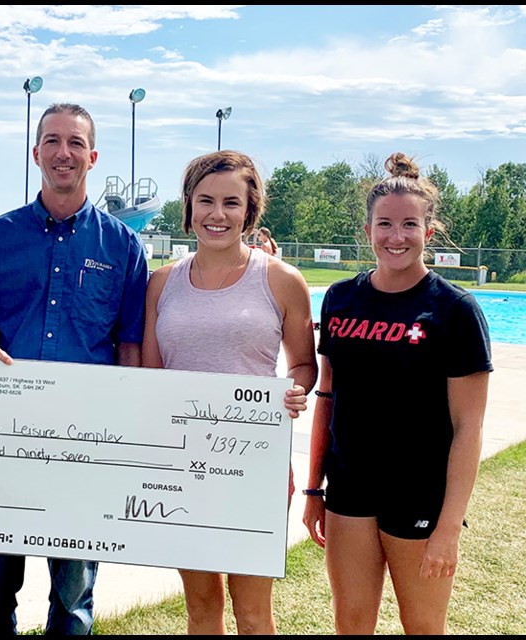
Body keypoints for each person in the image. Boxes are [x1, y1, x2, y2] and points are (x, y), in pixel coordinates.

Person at [0, 103, 149, 635]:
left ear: (92, 156)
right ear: (36, 151)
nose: (63, 152)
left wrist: (124, 432)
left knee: (72, 601)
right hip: (1, 438)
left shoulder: (123, 247)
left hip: (84, 444)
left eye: (74, 143)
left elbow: (130, 347)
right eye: (52, 140)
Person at [301, 152, 492, 634]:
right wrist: (313, 489)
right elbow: (328, 397)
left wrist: (449, 527)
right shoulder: (341, 297)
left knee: (423, 626)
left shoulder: (454, 310)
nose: (396, 236)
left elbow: (468, 428)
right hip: (349, 491)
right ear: (368, 230)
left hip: (420, 495)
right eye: (385, 224)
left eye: (410, 224)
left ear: (429, 231)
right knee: (351, 622)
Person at [142, 150, 317, 634]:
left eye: (231, 203)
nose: (217, 215)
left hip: (252, 464)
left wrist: (296, 390)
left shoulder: (281, 280)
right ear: (189, 207)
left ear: (250, 209)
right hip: (179, 464)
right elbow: (151, 377)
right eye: (206, 201)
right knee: (201, 606)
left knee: (253, 610)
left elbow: (303, 363)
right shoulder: (162, 283)